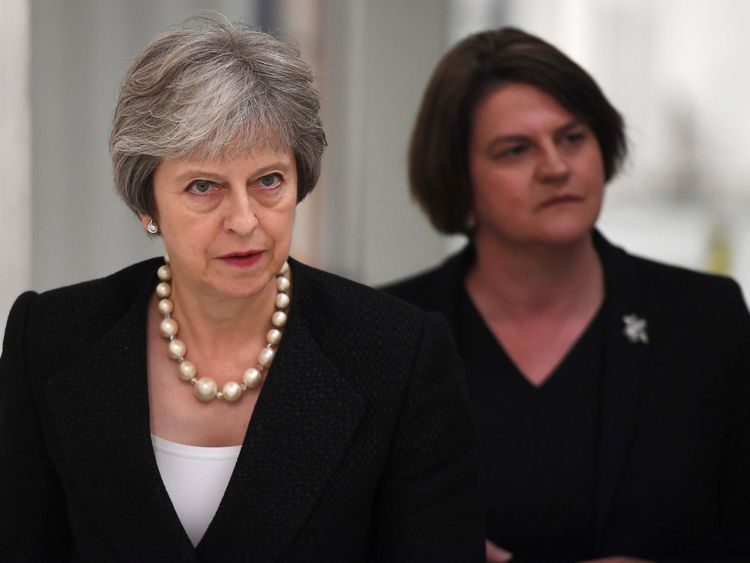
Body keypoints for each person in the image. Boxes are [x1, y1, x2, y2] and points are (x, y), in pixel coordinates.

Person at [0, 18, 484, 561]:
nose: (245, 219)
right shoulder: (49, 339)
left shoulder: (398, 354)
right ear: (146, 202)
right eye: (204, 187)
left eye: (269, 181)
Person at [384, 27, 750, 562]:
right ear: (460, 182)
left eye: (573, 138)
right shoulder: (387, 331)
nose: (556, 167)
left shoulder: (704, 319)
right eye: (516, 150)